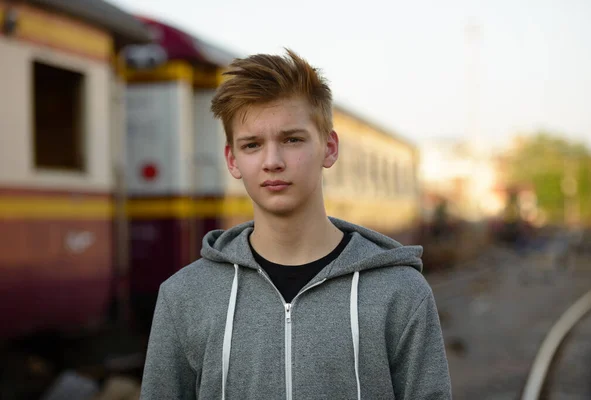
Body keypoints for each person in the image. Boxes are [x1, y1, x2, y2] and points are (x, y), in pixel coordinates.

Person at [140, 49, 452, 399]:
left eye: (292, 140)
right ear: (233, 160)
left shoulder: (401, 292)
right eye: (252, 144)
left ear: (329, 148)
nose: (272, 161)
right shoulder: (184, 296)